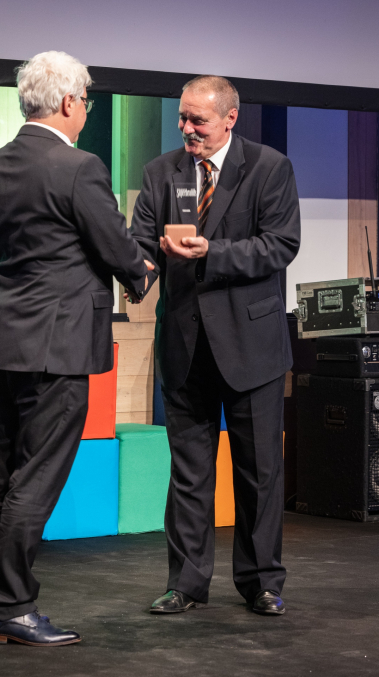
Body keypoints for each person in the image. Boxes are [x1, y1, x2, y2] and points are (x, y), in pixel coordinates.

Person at [0, 50, 153, 646]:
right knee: (36, 478)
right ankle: (10, 607)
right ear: (70, 102)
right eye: (86, 101)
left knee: (8, 473)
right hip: (57, 348)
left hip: (3, 341)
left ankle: (0, 606)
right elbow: (115, 246)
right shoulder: (79, 167)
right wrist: (143, 271)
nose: (86, 111)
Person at [128, 75, 300, 616]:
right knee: (189, 475)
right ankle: (185, 583)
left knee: (259, 473)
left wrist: (212, 252)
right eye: (182, 117)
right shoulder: (161, 172)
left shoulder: (269, 167)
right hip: (184, 345)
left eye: (197, 120)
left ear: (230, 118)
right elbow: (140, 244)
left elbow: (280, 245)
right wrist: (137, 269)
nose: (187, 129)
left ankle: (262, 582)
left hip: (252, 346)